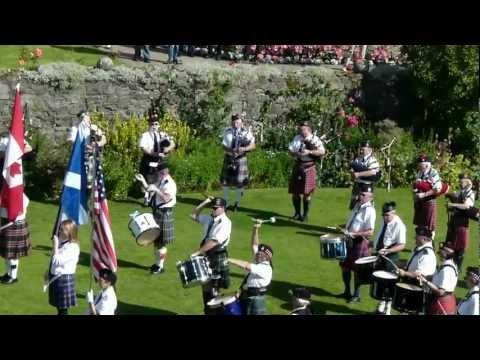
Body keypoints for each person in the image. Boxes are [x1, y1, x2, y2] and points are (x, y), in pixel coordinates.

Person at [190, 197, 232, 314]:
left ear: (223, 208)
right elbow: (193, 215)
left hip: (217, 255)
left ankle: (215, 312)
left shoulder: (225, 223)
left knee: (214, 288)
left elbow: (214, 241)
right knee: (205, 284)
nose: (213, 209)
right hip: (207, 254)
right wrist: (205, 203)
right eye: (212, 207)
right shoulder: (209, 218)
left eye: (215, 208)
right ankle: (207, 310)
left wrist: (198, 252)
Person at [137, 163, 177, 274]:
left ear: (164, 172)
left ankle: (160, 267)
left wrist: (156, 189)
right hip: (157, 213)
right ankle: (157, 264)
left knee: (161, 242)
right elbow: (150, 189)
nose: (157, 174)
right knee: (156, 241)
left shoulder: (169, 184)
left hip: (164, 214)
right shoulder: (161, 180)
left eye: (159, 172)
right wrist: (143, 181)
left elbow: (166, 198)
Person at [339, 184, 376, 303]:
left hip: (360, 242)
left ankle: (356, 295)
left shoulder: (370, 210)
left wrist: (354, 234)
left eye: (364, 195)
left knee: (357, 270)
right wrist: (344, 227)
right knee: (344, 267)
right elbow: (353, 222)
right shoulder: (357, 206)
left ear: (371, 197)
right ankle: (347, 292)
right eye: (360, 194)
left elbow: (370, 232)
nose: (361, 196)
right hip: (349, 240)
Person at [229, 221, 273, 315]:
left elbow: (246, 265)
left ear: (267, 257)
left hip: (256, 299)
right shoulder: (258, 260)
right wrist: (255, 229)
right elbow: (255, 244)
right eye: (258, 254)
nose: (257, 255)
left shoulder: (265, 268)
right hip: (248, 295)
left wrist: (230, 260)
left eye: (260, 254)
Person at [288, 121, 325, 222]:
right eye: (300, 129)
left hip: (309, 166)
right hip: (298, 165)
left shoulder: (315, 139)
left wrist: (310, 151)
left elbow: (322, 151)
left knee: (306, 193)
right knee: (295, 192)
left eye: (303, 129)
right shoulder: (297, 138)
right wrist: (294, 153)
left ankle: (305, 215)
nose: (300, 130)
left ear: (309, 129)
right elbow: (290, 149)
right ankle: (297, 214)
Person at [373, 201, 406, 315]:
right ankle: (381, 307)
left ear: (394, 213)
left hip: (391, 257)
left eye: (387, 215)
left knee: (389, 284)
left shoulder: (399, 225)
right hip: (380, 255)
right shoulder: (384, 220)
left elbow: (402, 245)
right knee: (381, 282)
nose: (385, 217)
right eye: (384, 215)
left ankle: (387, 309)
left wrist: (388, 251)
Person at [220, 114, 256, 212]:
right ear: (231, 122)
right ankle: (226, 203)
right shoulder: (227, 132)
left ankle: (237, 203)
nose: (236, 124)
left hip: (241, 159)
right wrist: (230, 150)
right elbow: (223, 146)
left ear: (241, 122)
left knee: (240, 183)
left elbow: (253, 146)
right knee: (225, 182)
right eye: (234, 122)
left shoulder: (247, 132)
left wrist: (244, 148)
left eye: (238, 122)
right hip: (229, 158)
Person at [46, 220, 80, 315]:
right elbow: (53, 259)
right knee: (58, 307)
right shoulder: (62, 242)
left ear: (70, 232)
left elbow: (57, 261)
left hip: (64, 280)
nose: (59, 231)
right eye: (60, 229)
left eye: (63, 230)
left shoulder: (73, 247)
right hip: (56, 278)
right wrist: (47, 271)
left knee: (63, 309)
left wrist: (55, 246)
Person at [445, 173, 476, 272]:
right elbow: (456, 197)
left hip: (462, 224)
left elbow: (466, 206)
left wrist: (452, 205)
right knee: (450, 244)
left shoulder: (470, 193)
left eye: (461, 181)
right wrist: (450, 196)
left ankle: (457, 269)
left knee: (460, 248)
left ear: (468, 181)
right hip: (454, 222)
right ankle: (449, 265)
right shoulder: (462, 191)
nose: (460, 182)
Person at [419, 242, 458, 315]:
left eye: (441, 252)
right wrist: (427, 277)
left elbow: (441, 292)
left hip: (441, 304)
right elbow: (438, 278)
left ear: (446, 253)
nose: (439, 253)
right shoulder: (449, 264)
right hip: (446, 301)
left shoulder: (446, 269)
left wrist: (426, 282)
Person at [138, 114, 175, 186]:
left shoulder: (162, 134)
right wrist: (154, 154)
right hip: (149, 160)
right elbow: (144, 148)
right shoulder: (145, 135)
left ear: (159, 125)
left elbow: (173, 143)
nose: (154, 126)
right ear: (149, 125)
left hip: (160, 161)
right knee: (150, 182)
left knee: (164, 180)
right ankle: (149, 195)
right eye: (152, 124)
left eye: (156, 124)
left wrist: (167, 149)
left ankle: (162, 194)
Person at [413, 154, 442, 241]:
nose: (419, 166)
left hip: (429, 201)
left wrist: (424, 195)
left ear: (427, 164)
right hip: (420, 202)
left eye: (421, 164)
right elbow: (416, 186)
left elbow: (437, 189)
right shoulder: (420, 173)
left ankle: (430, 243)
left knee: (429, 225)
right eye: (419, 164)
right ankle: (419, 242)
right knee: (420, 224)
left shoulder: (433, 173)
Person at [349, 140, 381, 210]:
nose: (361, 151)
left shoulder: (372, 160)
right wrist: (352, 173)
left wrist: (358, 174)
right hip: (357, 185)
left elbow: (373, 172)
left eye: (363, 149)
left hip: (366, 186)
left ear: (370, 150)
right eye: (360, 149)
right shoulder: (358, 159)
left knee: (366, 207)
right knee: (353, 206)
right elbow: (352, 169)